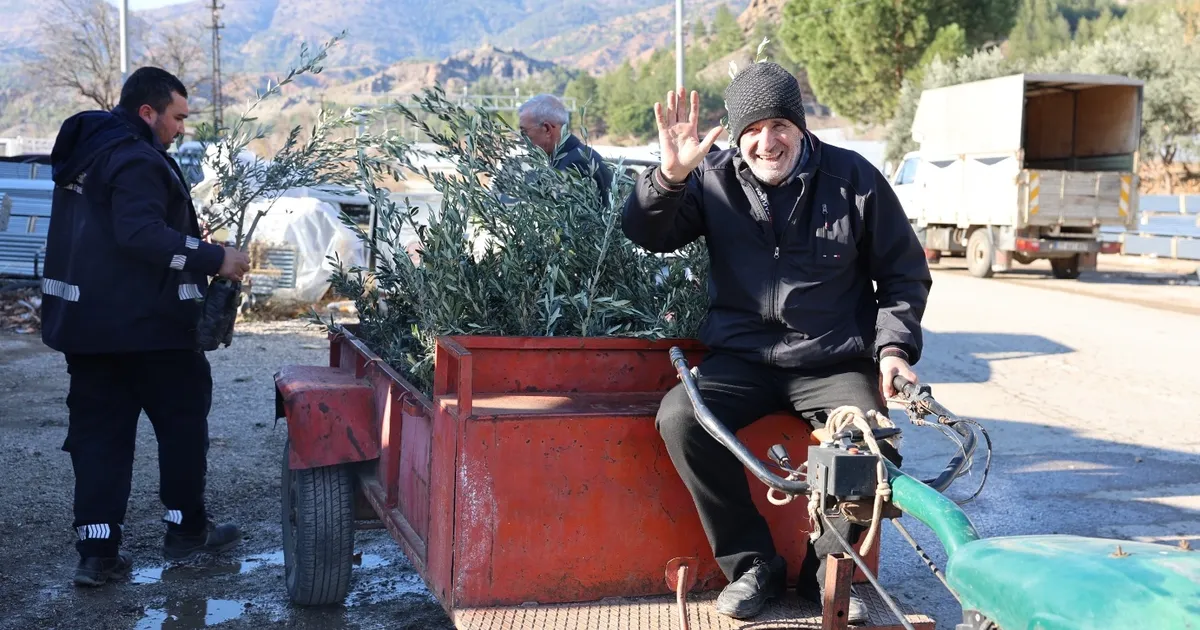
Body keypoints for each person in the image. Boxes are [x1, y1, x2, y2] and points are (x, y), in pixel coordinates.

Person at [621, 62, 932, 622]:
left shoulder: (853, 179)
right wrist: (668, 178)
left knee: (870, 443)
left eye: (780, 125)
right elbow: (647, 234)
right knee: (681, 418)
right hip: (741, 358)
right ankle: (752, 565)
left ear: (801, 126)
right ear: (738, 136)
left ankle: (825, 573)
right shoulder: (710, 178)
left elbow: (904, 276)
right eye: (753, 129)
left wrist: (893, 351)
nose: (768, 142)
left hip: (833, 361)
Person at [41, 66, 251, 587]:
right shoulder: (135, 157)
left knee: (98, 439)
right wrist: (215, 257)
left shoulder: (90, 154)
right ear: (147, 112)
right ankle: (186, 530)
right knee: (182, 428)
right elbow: (138, 235)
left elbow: (114, 235)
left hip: (89, 331)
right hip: (152, 331)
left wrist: (186, 238)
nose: (181, 128)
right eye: (177, 117)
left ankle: (97, 555)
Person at [517, 94, 613, 203]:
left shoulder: (575, 166)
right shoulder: (575, 156)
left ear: (547, 129)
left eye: (524, 132)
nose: (521, 139)